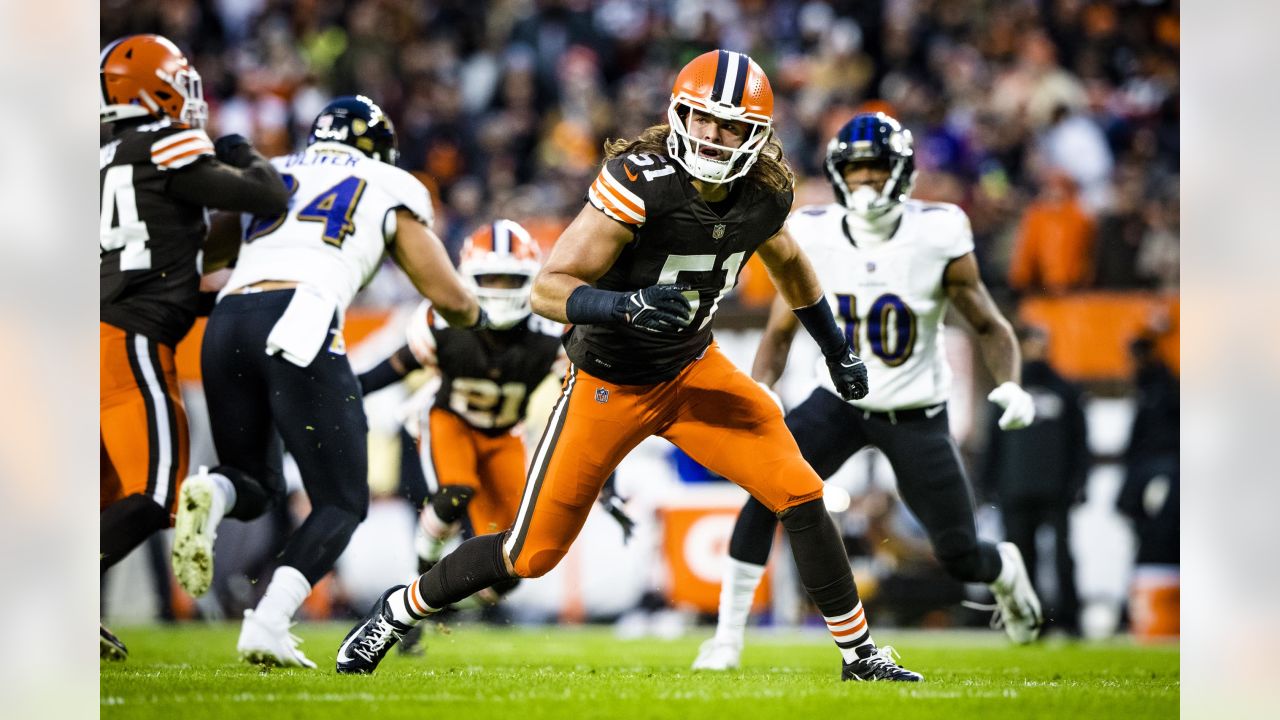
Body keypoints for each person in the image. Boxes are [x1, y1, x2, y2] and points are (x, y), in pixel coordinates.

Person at [335, 50, 921, 682]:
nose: (710, 136)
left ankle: (859, 656)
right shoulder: (641, 179)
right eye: (700, 119)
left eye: (729, 126)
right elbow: (548, 288)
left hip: (694, 372)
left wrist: (837, 348)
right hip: (607, 384)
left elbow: (792, 267)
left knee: (801, 493)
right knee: (530, 554)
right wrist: (626, 304)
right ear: (678, 115)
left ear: (757, 135)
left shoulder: (764, 193)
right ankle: (396, 610)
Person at [693, 112, 1044, 672]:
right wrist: (762, 389)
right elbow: (780, 330)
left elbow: (987, 322)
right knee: (764, 492)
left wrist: (1011, 385)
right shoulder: (814, 231)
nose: (863, 182)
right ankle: (727, 640)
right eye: (853, 171)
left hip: (914, 410)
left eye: (875, 169)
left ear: (901, 173)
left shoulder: (938, 230)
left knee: (957, 554)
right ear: (836, 175)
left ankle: (1002, 569)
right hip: (837, 401)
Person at [168, 95, 485, 669]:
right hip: (302, 317)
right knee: (341, 500)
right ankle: (267, 622)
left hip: (226, 320)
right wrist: (474, 318)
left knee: (253, 482)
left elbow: (200, 253)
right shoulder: (389, 182)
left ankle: (212, 492)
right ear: (379, 149)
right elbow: (449, 297)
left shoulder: (277, 171)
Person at [357, 220, 635, 653]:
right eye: (491, 278)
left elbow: (593, 410)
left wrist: (609, 482)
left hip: (504, 435)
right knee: (454, 493)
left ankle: (440, 605)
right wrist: (344, 393)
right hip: (450, 420)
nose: (502, 288)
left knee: (515, 555)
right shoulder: (443, 321)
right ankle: (411, 602)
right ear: (468, 278)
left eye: (511, 278)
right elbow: (394, 367)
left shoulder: (551, 331)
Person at [99, 34, 290, 660]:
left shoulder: (95, 152)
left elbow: (142, 259)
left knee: (102, 498)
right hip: (127, 341)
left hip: (93, 331)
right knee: (158, 493)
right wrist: (237, 145)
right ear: (152, 88)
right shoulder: (161, 140)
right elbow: (264, 193)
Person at [980, 324, 1088, 636]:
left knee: (1062, 557)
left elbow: (1079, 441)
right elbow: (994, 442)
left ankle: (1069, 620)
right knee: (1020, 560)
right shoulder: (1009, 390)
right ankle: (1025, 619)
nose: (1037, 351)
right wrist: (987, 484)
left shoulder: (1065, 389)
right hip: (1015, 489)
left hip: (1056, 490)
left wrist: (1079, 482)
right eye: (1031, 344)